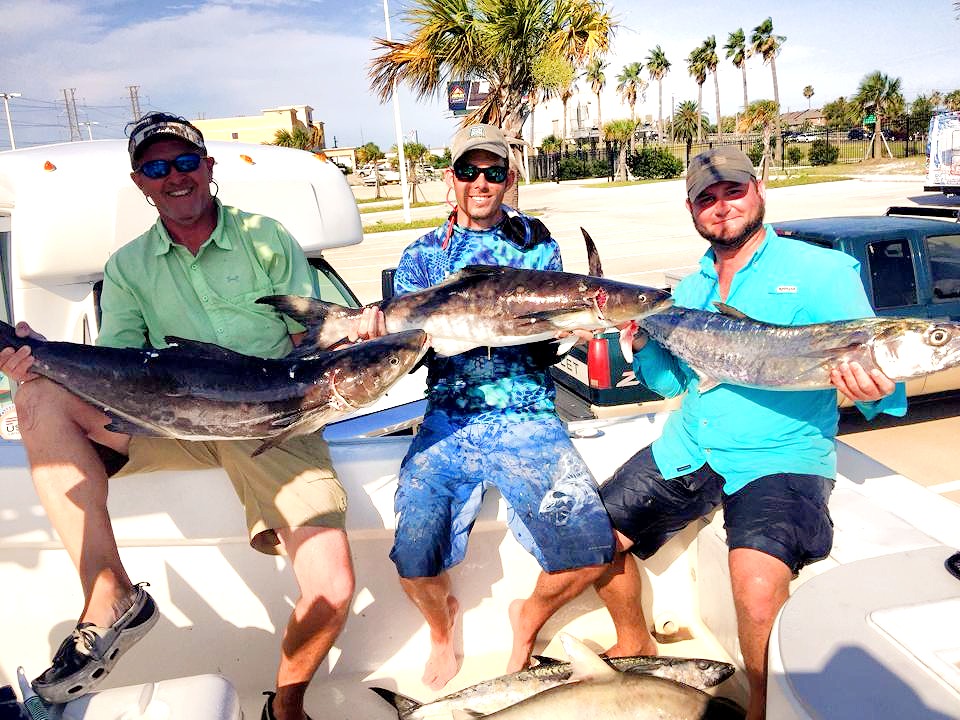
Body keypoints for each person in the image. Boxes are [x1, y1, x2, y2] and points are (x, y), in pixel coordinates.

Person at [508, 146, 907, 720]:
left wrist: (875, 389)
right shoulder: (688, 292)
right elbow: (671, 379)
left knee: (754, 581)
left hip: (781, 456)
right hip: (691, 444)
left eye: (734, 191)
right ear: (693, 208)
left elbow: (880, 375)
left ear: (760, 188)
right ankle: (605, 636)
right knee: (589, 543)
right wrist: (641, 340)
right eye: (707, 198)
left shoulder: (821, 272)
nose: (722, 207)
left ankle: (764, 707)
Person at [0, 113, 353, 720]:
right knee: (36, 394)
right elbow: (118, 366)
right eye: (157, 168)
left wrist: (351, 340)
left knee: (334, 587)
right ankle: (109, 592)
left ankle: (286, 704)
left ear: (208, 167)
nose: (174, 177)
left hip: (271, 421)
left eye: (185, 162)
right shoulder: (129, 266)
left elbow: (318, 339)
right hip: (169, 425)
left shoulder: (265, 237)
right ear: (140, 182)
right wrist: (38, 360)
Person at [353, 123, 615, 691]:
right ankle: (442, 628)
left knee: (593, 549)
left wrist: (580, 328)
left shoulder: (537, 245)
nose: (480, 182)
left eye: (493, 172)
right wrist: (373, 335)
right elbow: (406, 346)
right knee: (414, 554)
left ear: (509, 179)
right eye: (468, 171)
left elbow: (554, 323)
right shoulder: (423, 254)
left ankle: (528, 622)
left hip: (528, 415)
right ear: (452, 178)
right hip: (449, 416)